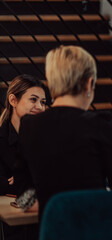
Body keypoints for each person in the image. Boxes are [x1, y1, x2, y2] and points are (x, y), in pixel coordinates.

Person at [16, 46, 112, 221]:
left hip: (53, 232)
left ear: (52, 82)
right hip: (95, 230)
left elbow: (24, 199)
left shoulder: (29, 125)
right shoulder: (100, 124)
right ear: (89, 83)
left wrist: (57, 207)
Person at [0, 74, 46, 240]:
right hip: (13, 224)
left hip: (41, 216)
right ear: (13, 100)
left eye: (43, 102)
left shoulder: (46, 138)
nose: (40, 107)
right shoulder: (1, 138)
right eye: (33, 100)